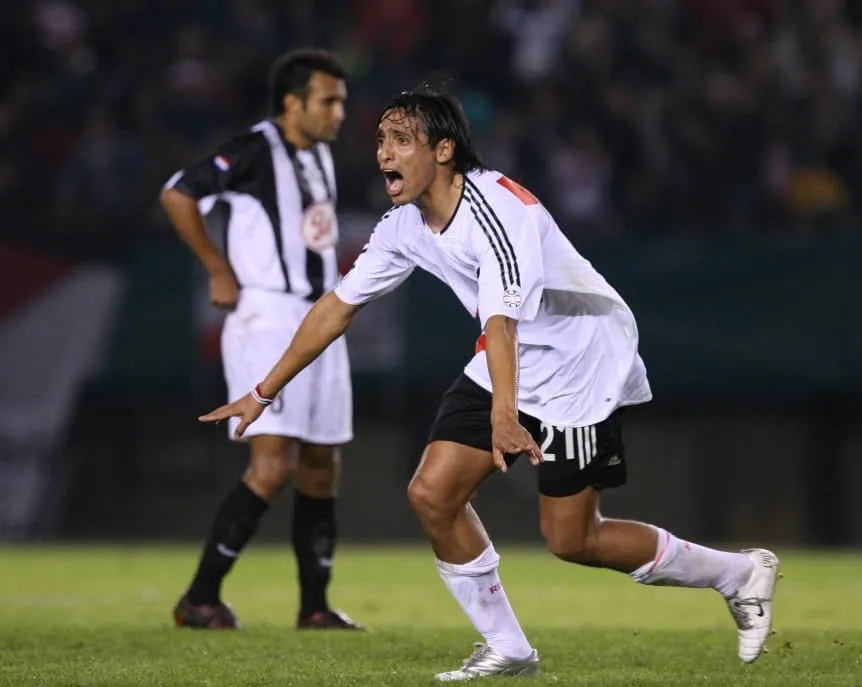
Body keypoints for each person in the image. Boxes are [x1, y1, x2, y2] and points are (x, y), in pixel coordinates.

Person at [198, 86, 780, 678]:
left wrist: (505, 414)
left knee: (572, 539)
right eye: (381, 140)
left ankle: (736, 574)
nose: (383, 154)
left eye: (401, 140)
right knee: (432, 493)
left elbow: (502, 322)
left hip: (579, 362)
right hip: (511, 358)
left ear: (444, 149)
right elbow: (337, 307)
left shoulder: (500, 212)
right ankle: (510, 650)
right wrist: (263, 390)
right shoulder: (404, 226)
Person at [159, 49, 362, 631]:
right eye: (329, 100)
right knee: (272, 467)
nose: (340, 112)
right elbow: (178, 192)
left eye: (342, 100)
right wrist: (217, 268)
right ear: (293, 102)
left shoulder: (320, 155)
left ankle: (316, 608)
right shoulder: (252, 150)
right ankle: (199, 599)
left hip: (321, 319)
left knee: (322, 464)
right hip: (268, 316)